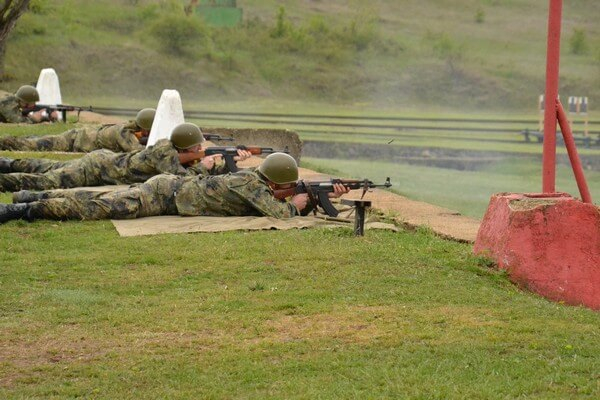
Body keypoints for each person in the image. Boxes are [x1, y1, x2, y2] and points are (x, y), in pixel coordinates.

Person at [0, 152, 350, 223]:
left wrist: (318, 196)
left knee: (102, 199)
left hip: (169, 190)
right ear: (276, 182)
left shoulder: (256, 180)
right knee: (100, 207)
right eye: (287, 185)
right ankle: (24, 208)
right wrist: (300, 204)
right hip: (162, 196)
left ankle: (32, 196)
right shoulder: (252, 185)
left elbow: (279, 198)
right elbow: (281, 212)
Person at [0, 122, 251, 192]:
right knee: (47, 182)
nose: (200, 150)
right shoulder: (165, 154)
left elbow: (188, 167)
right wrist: (206, 166)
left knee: (48, 167)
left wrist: (228, 163)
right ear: (186, 147)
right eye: (196, 147)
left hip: (102, 162)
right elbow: (180, 181)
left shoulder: (168, 148)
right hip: (97, 169)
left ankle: (7, 164)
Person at [0, 108, 156, 152]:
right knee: (31, 145)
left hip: (77, 137)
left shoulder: (131, 128)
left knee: (35, 141)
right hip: (74, 141)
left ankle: (7, 141)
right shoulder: (124, 133)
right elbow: (138, 152)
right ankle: (4, 143)